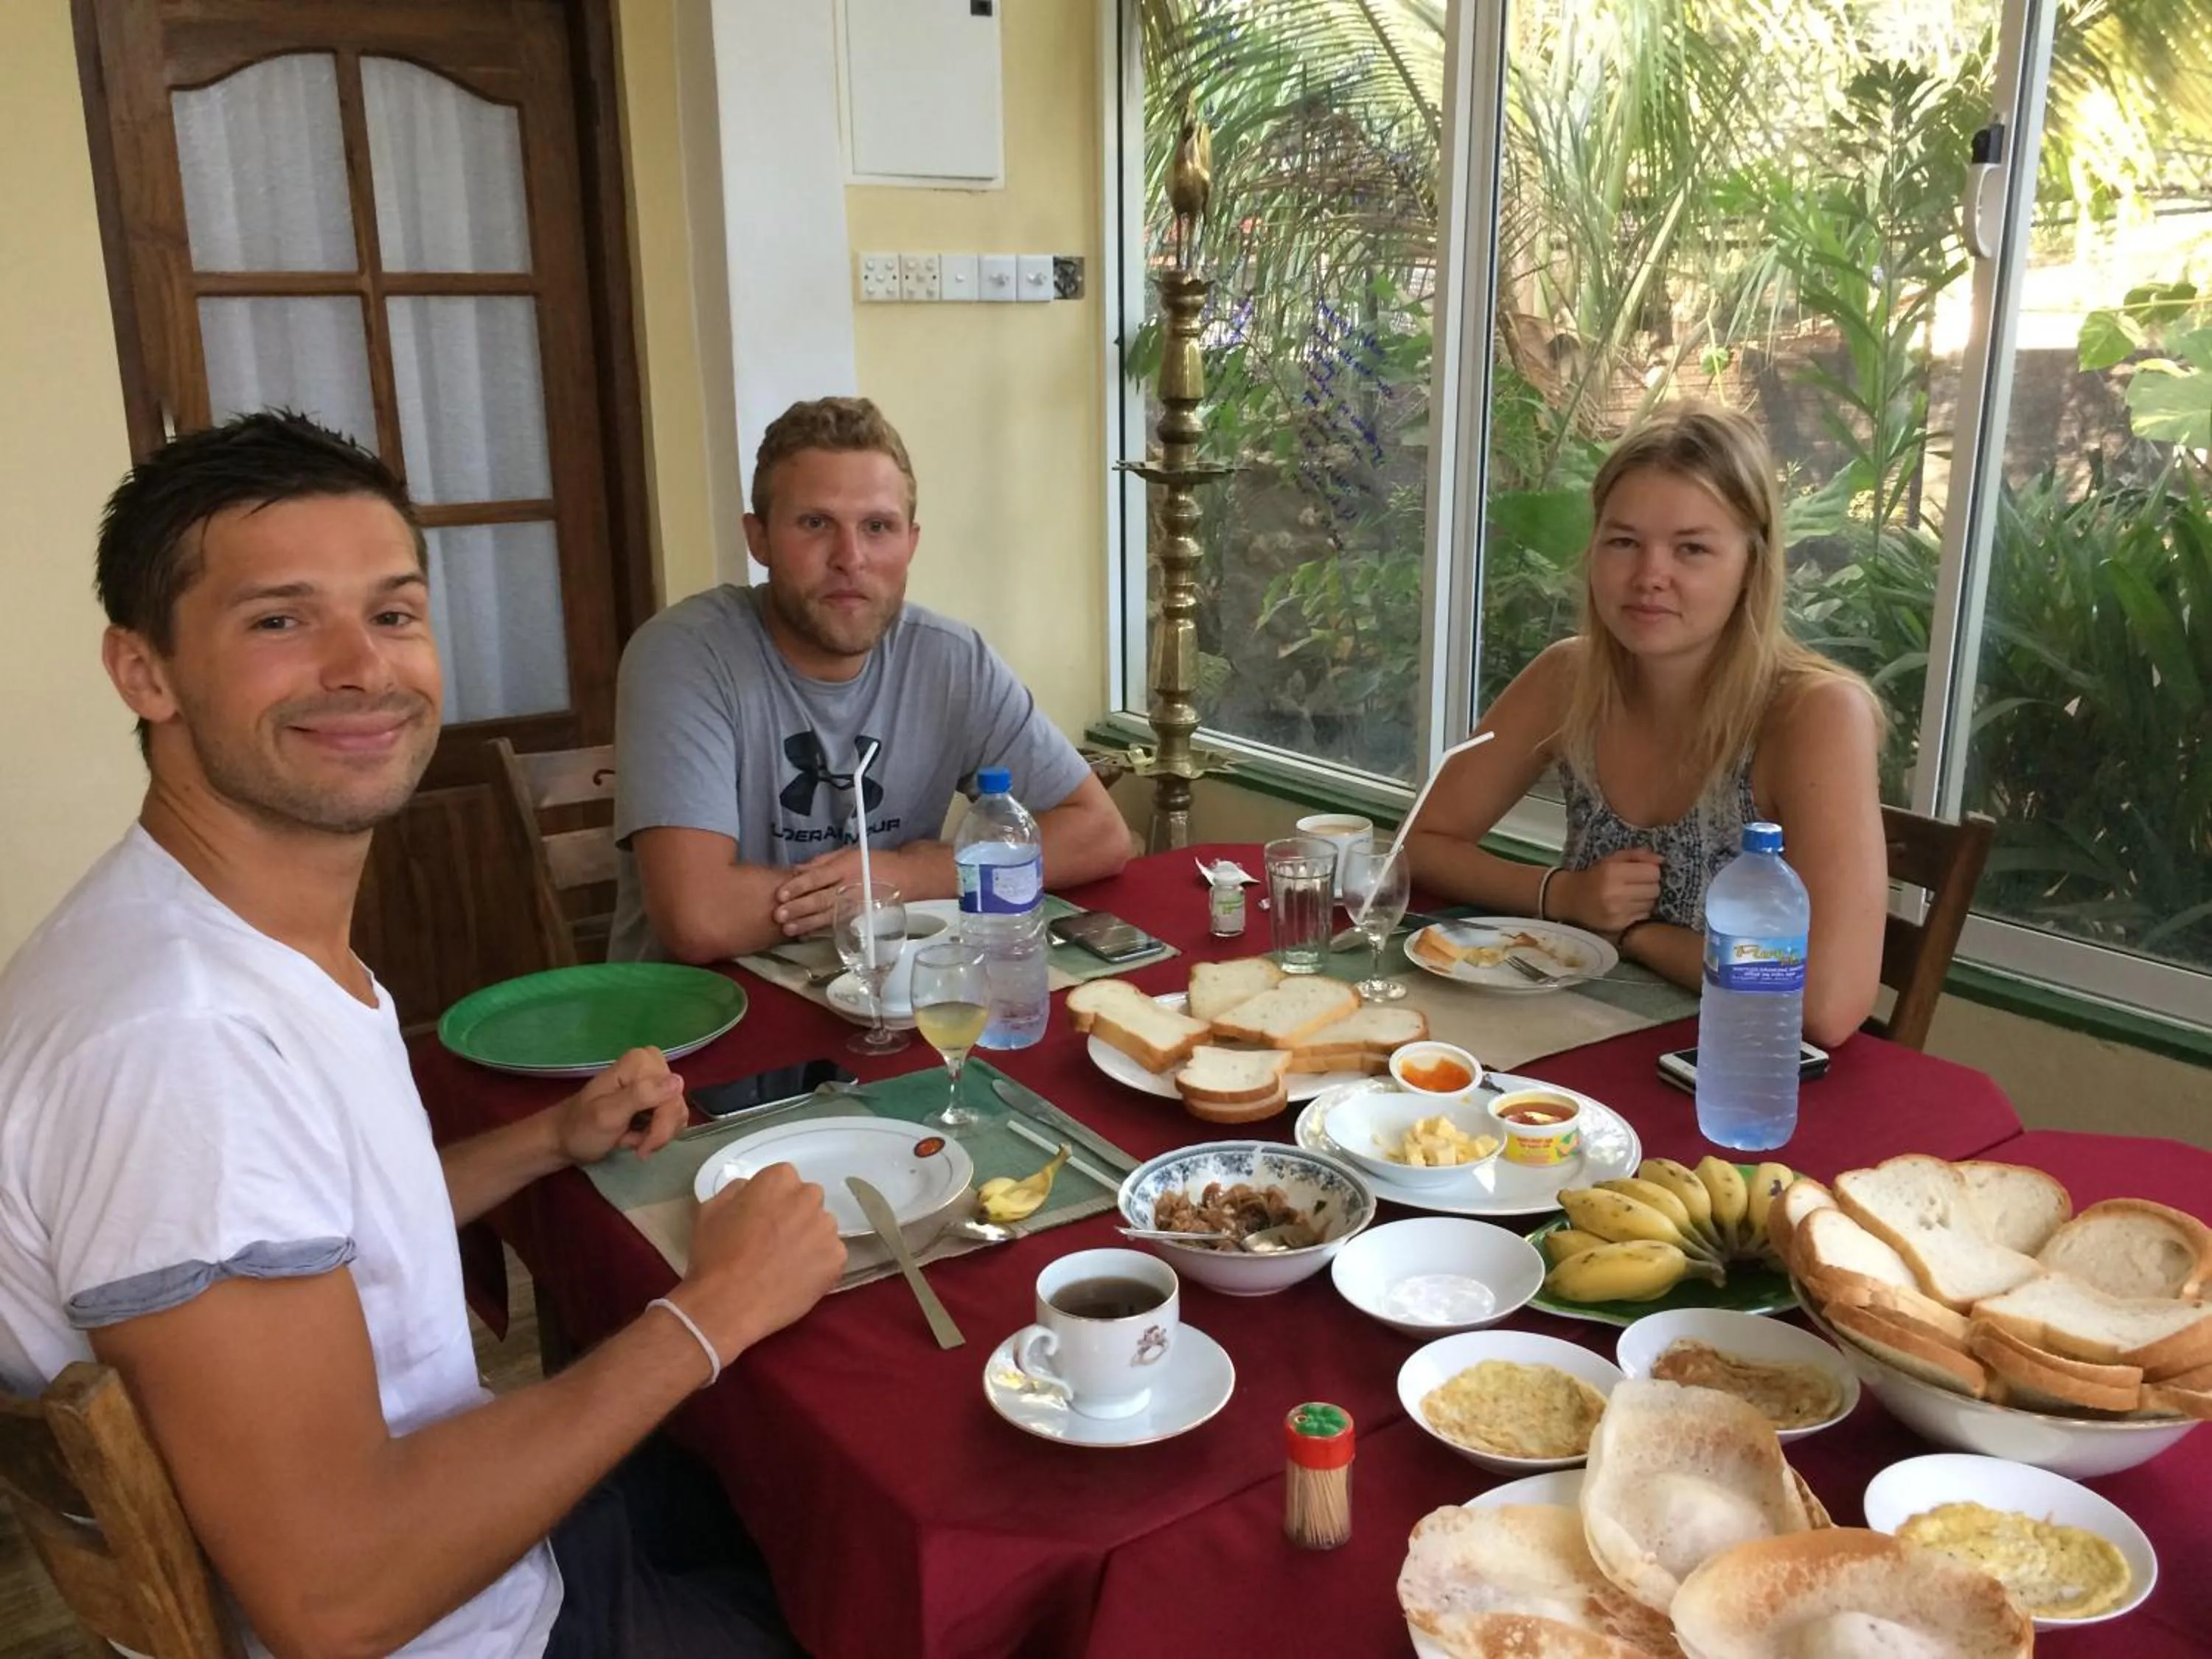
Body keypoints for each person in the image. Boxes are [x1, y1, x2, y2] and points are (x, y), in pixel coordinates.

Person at [0, 413, 847, 1658]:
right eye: (280, 621)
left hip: (487, 1531)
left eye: (393, 614)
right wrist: (713, 1312)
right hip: (468, 1624)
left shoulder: (211, 933)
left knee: (813, 1498)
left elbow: (313, 1235)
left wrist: (549, 1139)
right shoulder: (181, 1048)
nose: (362, 668)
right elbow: (337, 1595)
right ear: (146, 672)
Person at [1405, 405, 1886, 1048]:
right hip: (1568, 1044)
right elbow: (1421, 841)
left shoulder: (1817, 713)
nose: (1648, 577)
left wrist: (1638, 937)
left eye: (1691, 548)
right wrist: (1562, 896)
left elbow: (1826, 1001)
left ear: (1753, 563)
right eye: (1624, 542)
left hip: (1739, 1081)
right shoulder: (1568, 677)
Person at [609, 395, 1130, 963]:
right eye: (815, 524)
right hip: (701, 1030)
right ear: (758, 539)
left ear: (911, 543)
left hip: (885, 1009)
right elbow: (702, 917)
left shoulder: (951, 660)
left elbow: (1099, 835)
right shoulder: (686, 655)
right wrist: (862, 892)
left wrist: (909, 874)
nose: (849, 557)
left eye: (878, 527)